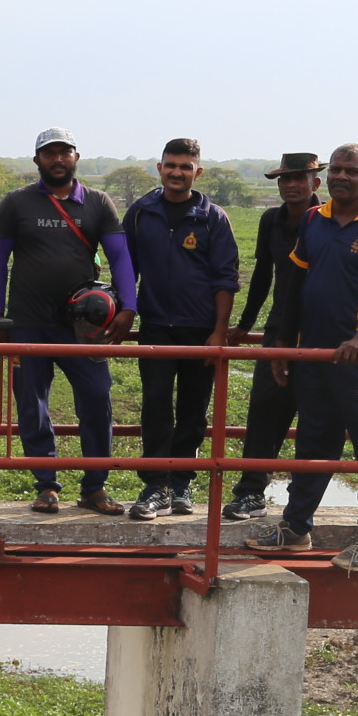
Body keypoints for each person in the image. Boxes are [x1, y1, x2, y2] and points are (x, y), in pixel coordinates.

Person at [251, 143, 358, 572]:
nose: (341, 176)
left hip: (357, 360)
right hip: (313, 354)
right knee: (312, 442)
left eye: (350, 171)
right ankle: (296, 527)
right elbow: (294, 285)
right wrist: (284, 344)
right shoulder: (314, 221)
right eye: (336, 169)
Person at [0, 128, 136, 515]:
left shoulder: (98, 203)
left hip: (83, 325)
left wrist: (128, 308)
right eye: (49, 153)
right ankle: (46, 484)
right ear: (37, 160)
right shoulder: (17, 203)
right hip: (27, 322)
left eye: (64, 152)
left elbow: (119, 256)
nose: (57, 159)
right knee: (32, 404)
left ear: (75, 157)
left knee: (97, 398)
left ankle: (95, 486)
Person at [121, 137, 239, 520]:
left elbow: (225, 278)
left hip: (200, 329)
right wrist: (125, 312)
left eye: (185, 167)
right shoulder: (140, 212)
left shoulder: (212, 218)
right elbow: (126, 269)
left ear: (197, 172)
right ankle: (156, 486)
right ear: (160, 168)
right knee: (156, 404)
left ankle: (182, 483)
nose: (177, 172)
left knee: (193, 409)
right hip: (156, 326)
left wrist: (219, 331)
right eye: (171, 165)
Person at [221, 153, 323, 520]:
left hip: (320, 331)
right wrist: (245, 324)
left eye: (299, 178)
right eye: (285, 179)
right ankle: (251, 492)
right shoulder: (271, 220)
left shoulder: (329, 221)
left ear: (315, 183)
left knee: (316, 418)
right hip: (280, 329)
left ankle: (302, 503)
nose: (291, 185)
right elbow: (264, 274)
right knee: (265, 412)